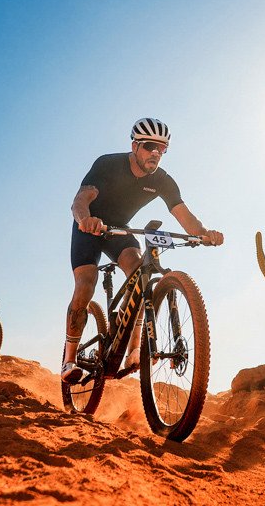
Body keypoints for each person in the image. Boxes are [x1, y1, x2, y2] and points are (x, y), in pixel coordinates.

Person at [62, 117, 224, 383]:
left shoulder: (162, 180)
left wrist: (205, 233)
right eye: (150, 146)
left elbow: (186, 218)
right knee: (85, 284)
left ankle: (134, 350)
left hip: (120, 230)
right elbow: (80, 201)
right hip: (89, 228)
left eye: (162, 149)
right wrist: (85, 220)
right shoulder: (107, 164)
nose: (156, 154)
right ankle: (68, 361)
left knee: (140, 272)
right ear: (135, 145)